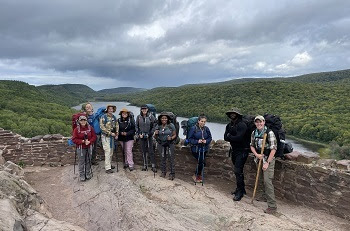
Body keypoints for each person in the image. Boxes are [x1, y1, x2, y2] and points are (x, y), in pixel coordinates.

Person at [250, 115, 278, 214]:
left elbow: (273, 149)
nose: (259, 124)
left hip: (268, 160)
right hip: (259, 159)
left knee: (267, 181)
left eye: (260, 122)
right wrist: (257, 155)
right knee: (261, 178)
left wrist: (267, 163)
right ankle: (263, 196)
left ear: (264, 122)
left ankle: (272, 206)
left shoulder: (269, 133)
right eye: (257, 122)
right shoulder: (254, 132)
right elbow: (252, 146)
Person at [224, 108, 248, 201]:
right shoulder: (229, 125)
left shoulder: (242, 125)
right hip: (234, 150)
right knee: (238, 171)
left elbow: (239, 138)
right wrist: (231, 137)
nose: (232, 115)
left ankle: (240, 193)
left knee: (238, 171)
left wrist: (230, 136)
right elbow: (225, 137)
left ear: (238, 115)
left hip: (242, 151)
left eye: (234, 114)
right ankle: (241, 189)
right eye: (231, 114)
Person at [188, 114, 212, 183]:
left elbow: (210, 138)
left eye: (204, 122)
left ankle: (197, 174)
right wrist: (197, 141)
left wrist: (206, 141)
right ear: (198, 121)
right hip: (195, 149)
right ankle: (196, 175)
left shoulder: (206, 129)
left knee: (202, 162)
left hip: (204, 149)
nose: (203, 123)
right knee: (201, 162)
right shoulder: (193, 128)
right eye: (202, 121)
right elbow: (190, 139)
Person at [72, 115, 97, 181]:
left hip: (89, 146)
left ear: (86, 121)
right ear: (79, 121)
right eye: (81, 120)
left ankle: (87, 174)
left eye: (84, 120)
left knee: (88, 161)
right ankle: (82, 175)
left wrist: (89, 141)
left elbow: (94, 137)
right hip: (81, 148)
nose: (83, 121)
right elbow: (74, 139)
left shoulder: (90, 128)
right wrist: (82, 141)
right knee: (81, 162)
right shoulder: (76, 129)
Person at [154, 112, 177, 180]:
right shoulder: (158, 126)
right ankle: (163, 172)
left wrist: (171, 138)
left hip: (170, 143)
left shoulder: (171, 125)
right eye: (162, 118)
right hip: (161, 143)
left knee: (171, 158)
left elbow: (175, 134)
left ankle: (172, 174)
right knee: (162, 158)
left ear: (167, 119)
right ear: (160, 119)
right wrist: (155, 133)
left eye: (165, 118)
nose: (164, 119)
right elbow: (155, 137)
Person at [136, 105, 157, 172]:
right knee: (143, 151)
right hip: (142, 136)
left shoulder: (151, 117)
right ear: (141, 110)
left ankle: (153, 165)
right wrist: (139, 134)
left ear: (147, 109)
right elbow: (136, 126)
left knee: (151, 151)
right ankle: (145, 165)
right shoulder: (138, 117)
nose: (144, 110)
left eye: (145, 109)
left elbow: (154, 126)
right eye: (143, 109)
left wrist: (150, 134)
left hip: (149, 136)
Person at [100, 104, 118, 174]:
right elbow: (102, 127)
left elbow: (117, 126)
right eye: (109, 109)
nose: (111, 110)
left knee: (111, 151)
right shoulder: (103, 117)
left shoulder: (114, 117)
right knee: (107, 151)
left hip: (112, 137)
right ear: (107, 109)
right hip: (105, 137)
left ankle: (109, 164)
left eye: (112, 109)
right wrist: (110, 133)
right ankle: (107, 168)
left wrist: (116, 133)